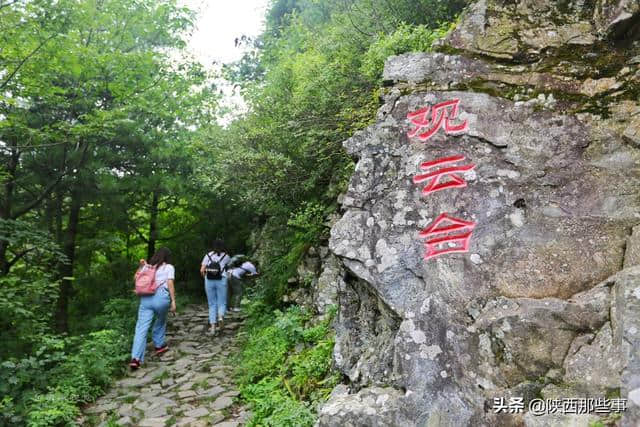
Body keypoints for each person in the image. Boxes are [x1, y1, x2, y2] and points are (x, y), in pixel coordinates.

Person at [129, 247, 176, 370]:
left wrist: (140, 266)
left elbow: (136, 278)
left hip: (145, 298)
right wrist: (173, 301)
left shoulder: (147, 267)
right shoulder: (169, 267)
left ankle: (135, 359)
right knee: (161, 320)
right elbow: (170, 283)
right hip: (161, 298)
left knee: (141, 328)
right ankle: (159, 345)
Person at [200, 239, 230, 335]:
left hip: (209, 280)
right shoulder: (226, 256)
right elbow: (230, 270)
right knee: (222, 302)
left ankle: (212, 328)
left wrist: (206, 277)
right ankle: (220, 316)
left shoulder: (208, 255)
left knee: (212, 304)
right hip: (222, 279)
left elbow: (202, 270)